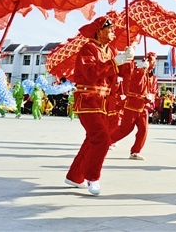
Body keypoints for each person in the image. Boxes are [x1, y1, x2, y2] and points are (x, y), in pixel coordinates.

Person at [65, 16, 132, 196]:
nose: (113, 32)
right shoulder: (88, 48)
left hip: (103, 103)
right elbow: (90, 74)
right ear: (98, 31)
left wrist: (129, 60)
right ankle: (92, 177)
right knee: (101, 138)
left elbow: (120, 74)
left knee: (92, 139)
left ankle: (74, 176)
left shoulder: (110, 50)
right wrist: (116, 62)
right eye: (109, 29)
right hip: (88, 100)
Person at [110, 52, 158, 161]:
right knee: (125, 129)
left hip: (143, 107)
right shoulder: (136, 72)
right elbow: (136, 84)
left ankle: (135, 152)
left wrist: (152, 96)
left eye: (154, 62)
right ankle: (106, 141)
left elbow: (154, 91)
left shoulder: (154, 78)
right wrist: (143, 70)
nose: (153, 63)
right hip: (132, 105)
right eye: (151, 61)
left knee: (144, 130)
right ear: (145, 61)